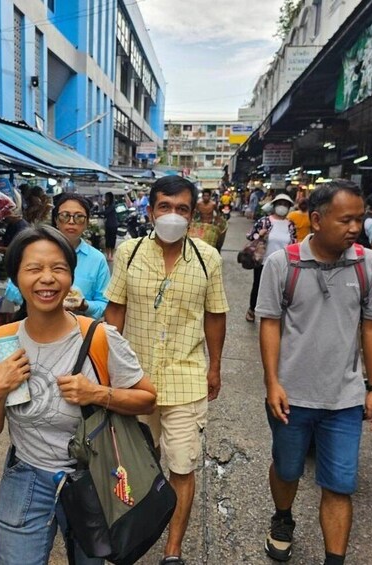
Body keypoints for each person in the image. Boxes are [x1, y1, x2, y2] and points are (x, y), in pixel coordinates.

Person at [0, 226, 156, 565]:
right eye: (34, 269)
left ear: (71, 276)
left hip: (93, 477)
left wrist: (98, 393)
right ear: (16, 278)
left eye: (58, 268)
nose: (47, 279)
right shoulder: (4, 340)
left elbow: (147, 399)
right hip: (25, 476)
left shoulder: (100, 337)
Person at [255, 180, 372, 565]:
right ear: (316, 219)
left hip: (345, 398)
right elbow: (269, 323)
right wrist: (272, 382)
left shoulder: (370, 265)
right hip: (290, 396)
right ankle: (283, 519)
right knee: (287, 469)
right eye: (346, 219)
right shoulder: (284, 263)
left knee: (339, 485)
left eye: (359, 219)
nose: (355, 227)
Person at [105, 176, 228, 565]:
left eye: (181, 209)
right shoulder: (129, 252)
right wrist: (105, 366)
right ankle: (130, 538)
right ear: (150, 210)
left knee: (181, 465)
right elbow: (116, 310)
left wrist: (216, 366)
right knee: (130, 466)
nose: (172, 216)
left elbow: (215, 315)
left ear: (192, 215)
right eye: (164, 207)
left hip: (185, 379)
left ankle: (172, 551)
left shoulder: (208, 259)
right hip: (133, 379)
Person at [5, 193, 110, 319]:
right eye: (65, 216)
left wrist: (85, 305)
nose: (71, 221)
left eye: (79, 217)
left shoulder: (97, 259)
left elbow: (104, 304)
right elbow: (11, 290)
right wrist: (43, 296)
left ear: (87, 222)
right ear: (56, 220)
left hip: (81, 333)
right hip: (37, 325)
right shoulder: (35, 250)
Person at [245, 193, 297, 323]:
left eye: (285, 205)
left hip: (284, 264)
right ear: (274, 206)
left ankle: (276, 313)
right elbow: (250, 236)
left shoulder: (290, 225)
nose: (282, 207)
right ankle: (252, 309)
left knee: (282, 289)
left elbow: (293, 242)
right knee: (258, 286)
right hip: (263, 261)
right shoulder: (264, 221)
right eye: (280, 204)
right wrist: (260, 235)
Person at [103, 192, 119, 262]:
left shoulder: (112, 205)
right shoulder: (107, 205)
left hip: (113, 225)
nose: (105, 198)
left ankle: (111, 255)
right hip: (108, 224)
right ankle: (108, 255)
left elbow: (106, 213)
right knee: (107, 239)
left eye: (106, 197)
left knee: (112, 240)